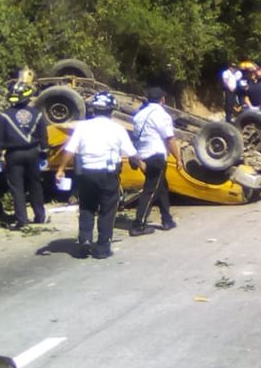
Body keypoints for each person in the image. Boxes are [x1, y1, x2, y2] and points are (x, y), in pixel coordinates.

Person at [55, 92, 141, 259]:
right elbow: (132, 154)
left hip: (86, 173)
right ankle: (102, 247)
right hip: (108, 174)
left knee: (87, 207)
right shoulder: (117, 129)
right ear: (111, 110)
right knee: (107, 210)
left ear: (94, 109)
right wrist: (139, 164)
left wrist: (61, 169)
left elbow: (69, 150)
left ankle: (85, 240)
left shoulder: (82, 127)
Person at [0, 82, 49, 230]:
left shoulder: (4, 116)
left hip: (14, 155)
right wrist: (44, 155)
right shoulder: (37, 114)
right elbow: (43, 137)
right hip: (33, 153)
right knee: (35, 186)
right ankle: (40, 216)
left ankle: (22, 220)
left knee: (17, 188)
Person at [130, 87, 183, 236]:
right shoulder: (161, 115)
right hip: (156, 156)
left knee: (162, 187)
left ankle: (167, 219)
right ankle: (138, 225)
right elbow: (170, 139)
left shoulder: (139, 115)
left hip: (143, 155)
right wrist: (178, 158)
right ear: (163, 100)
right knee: (151, 190)